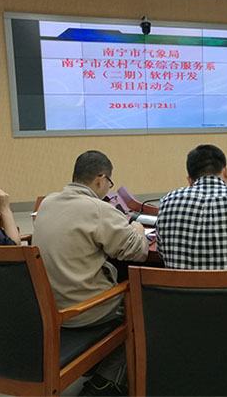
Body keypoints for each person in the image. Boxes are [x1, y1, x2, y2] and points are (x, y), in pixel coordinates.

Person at [32, 150, 148, 396]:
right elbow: (138, 252)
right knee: (145, 308)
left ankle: (97, 364)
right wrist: (137, 230)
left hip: (48, 307)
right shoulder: (98, 209)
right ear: (100, 179)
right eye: (109, 183)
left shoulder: (48, 202)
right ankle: (105, 383)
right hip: (85, 311)